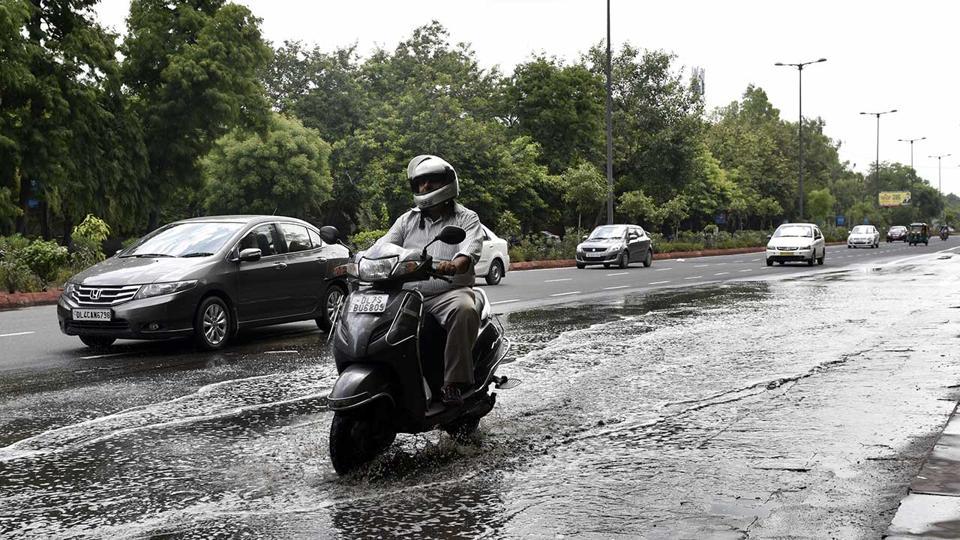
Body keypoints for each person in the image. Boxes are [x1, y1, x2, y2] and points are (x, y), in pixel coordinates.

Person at [372, 155, 484, 406]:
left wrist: (456, 264)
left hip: (447, 292)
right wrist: (363, 259)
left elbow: (470, 248)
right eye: (421, 182)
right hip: (408, 294)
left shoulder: (467, 218)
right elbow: (384, 245)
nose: (425, 187)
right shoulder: (407, 220)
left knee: (464, 309)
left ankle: (453, 384)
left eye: (431, 181)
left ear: (447, 183)